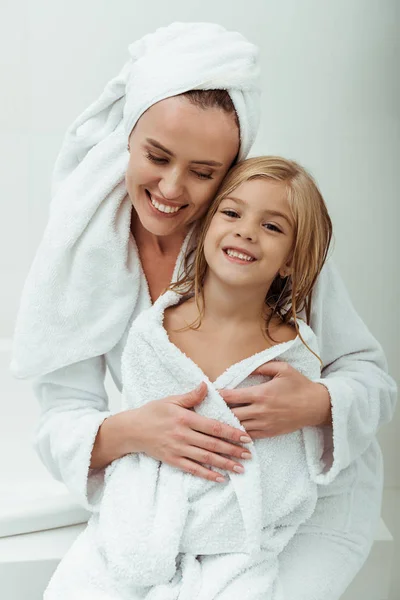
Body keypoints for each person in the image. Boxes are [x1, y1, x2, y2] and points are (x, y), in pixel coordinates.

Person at [10, 22, 396, 600]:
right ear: (128, 140)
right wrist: (132, 430)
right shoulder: (86, 244)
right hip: (167, 487)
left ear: (232, 169)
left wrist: (318, 402)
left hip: (299, 493)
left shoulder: (258, 240)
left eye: (204, 173)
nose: (171, 188)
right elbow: (64, 409)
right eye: (157, 156)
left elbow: (371, 378)